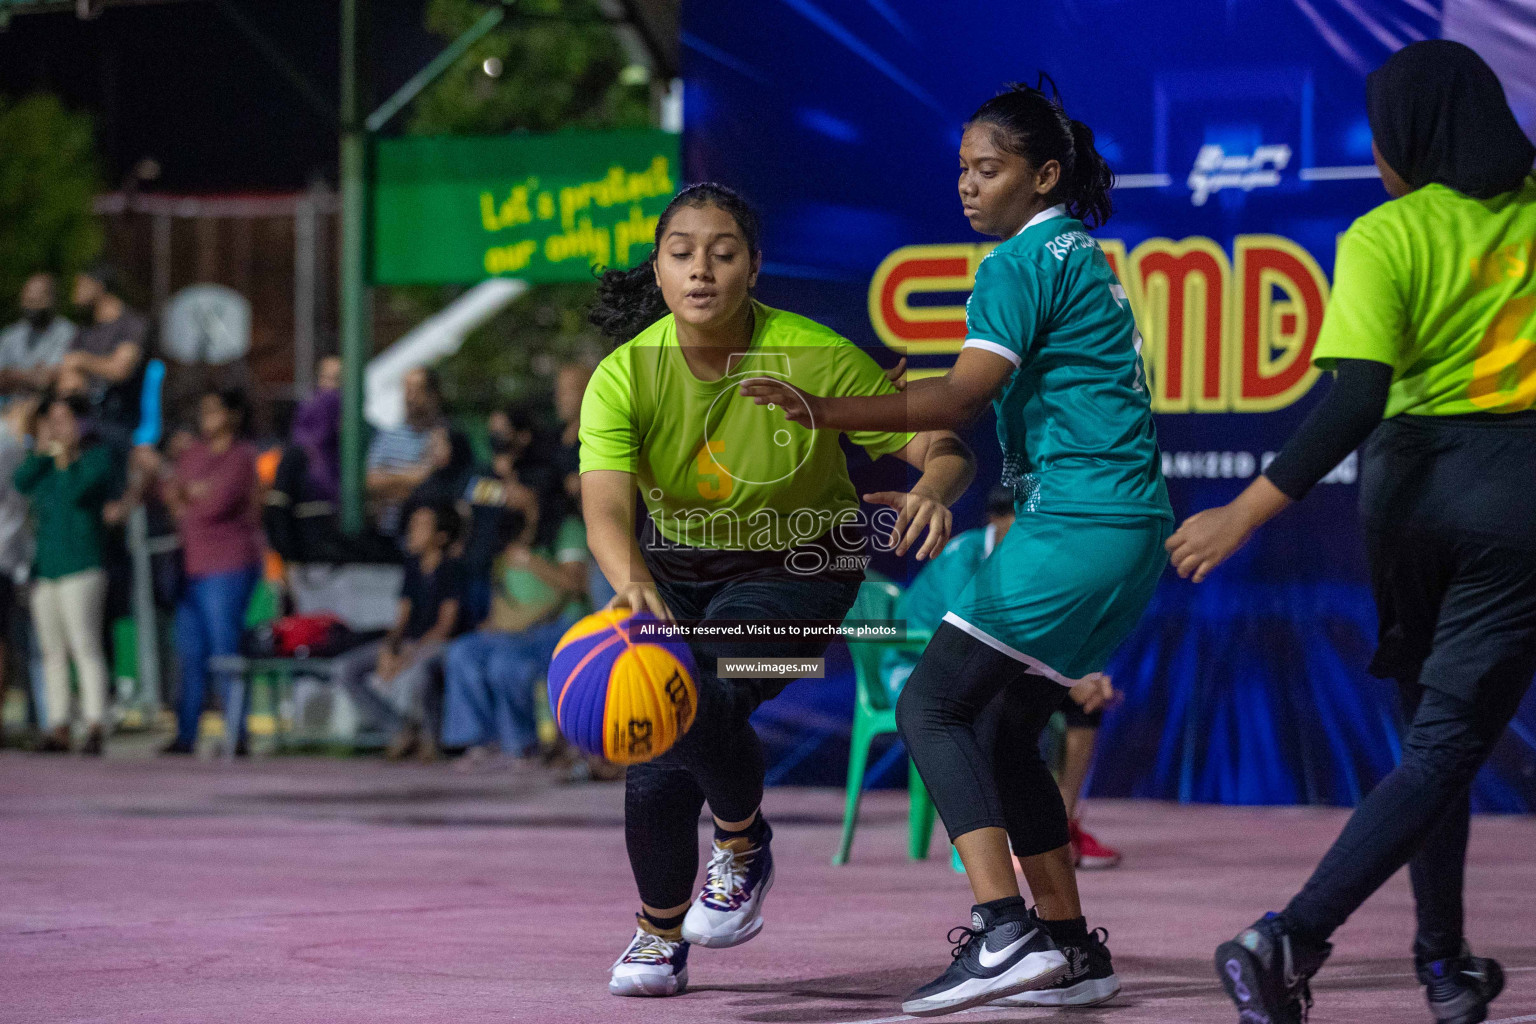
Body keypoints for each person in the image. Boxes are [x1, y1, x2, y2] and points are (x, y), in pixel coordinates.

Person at [746, 79, 1169, 1015]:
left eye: (991, 168)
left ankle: (1001, 931)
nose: (969, 186)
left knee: (931, 704)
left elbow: (961, 401)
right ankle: (1069, 948)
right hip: (1129, 528)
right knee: (1008, 727)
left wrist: (828, 413)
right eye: (964, 169)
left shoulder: (1016, 265)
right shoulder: (1078, 253)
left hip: (1077, 523)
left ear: (1044, 174)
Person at [1163, 41, 1536, 1024]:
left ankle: (1445, 965)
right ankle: (1286, 937)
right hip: (1516, 494)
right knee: (1447, 746)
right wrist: (1245, 509)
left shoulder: (1384, 233)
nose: (1377, 157)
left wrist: (1247, 507)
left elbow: (1358, 396)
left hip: (1406, 499)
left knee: (1430, 746)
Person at [583, 182, 974, 998]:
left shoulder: (810, 354)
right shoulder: (623, 377)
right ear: (657, 269)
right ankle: (660, 932)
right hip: (675, 570)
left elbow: (938, 441)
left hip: (800, 563)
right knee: (656, 742)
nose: (701, 270)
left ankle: (740, 843)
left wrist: (936, 484)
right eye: (682, 253)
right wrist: (631, 583)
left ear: (753, 267)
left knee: (704, 704)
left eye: (722, 253)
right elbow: (607, 511)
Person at [881, 485, 1125, 872]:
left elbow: (1047, 630)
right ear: (997, 519)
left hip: (993, 664)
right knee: (991, 705)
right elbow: (971, 641)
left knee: (1083, 708)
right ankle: (984, 839)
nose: (1037, 533)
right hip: (918, 670)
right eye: (1026, 522)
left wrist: (1082, 676)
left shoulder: (1033, 561)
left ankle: (1058, 828)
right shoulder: (964, 556)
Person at [157, 389, 264, 756]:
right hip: (191, 567)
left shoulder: (241, 456)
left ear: (233, 415)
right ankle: (186, 734)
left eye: (215, 410)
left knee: (225, 650)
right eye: (203, 410)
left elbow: (216, 504)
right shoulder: (192, 453)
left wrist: (191, 497)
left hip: (229, 565)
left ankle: (237, 733)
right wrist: (190, 494)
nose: (207, 417)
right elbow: (170, 495)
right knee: (190, 652)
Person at [442, 512, 590, 769]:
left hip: (555, 627)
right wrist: (501, 622)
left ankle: (523, 744)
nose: (506, 490)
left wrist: (531, 562)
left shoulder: (567, 529)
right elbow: (500, 597)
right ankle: (482, 742)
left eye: (513, 482)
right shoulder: (508, 533)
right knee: (462, 651)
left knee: (506, 663)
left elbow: (572, 586)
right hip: (512, 628)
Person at [14, 392, 116, 755]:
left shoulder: (94, 459)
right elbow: (20, 481)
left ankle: (94, 722)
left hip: (81, 565)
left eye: (63, 419)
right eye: (52, 420)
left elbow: (77, 492)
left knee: (84, 646)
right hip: (47, 568)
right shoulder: (43, 464)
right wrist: (43, 451)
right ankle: (56, 723)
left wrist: (65, 457)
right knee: (50, 651)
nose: (57, 427)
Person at [330, 502, 466, 760]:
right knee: (346, 670)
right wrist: (390, 648)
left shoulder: (452, 569)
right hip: (411, 643)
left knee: (419, 673)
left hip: (441, 644)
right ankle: (399, 730)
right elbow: (401, 618)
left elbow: (445, 627)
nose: (412, 531)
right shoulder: (412, 567)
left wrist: (410, 655)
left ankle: (431, 737)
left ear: (441, 537)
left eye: (421, 526)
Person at [366, 366, 452, 537]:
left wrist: (390, 478)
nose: (409, 397)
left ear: (433, 394)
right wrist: (414, 476)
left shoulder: (445, 435)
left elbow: (432, 482)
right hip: (386, 534)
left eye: (416, 390)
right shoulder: (388, 435)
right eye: (406, 389)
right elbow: (370, 482)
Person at [62, 264, 147, 436]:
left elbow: (120, 370)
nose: (75, 294)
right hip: (83, 416)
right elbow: (68, 374)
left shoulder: (131, 325)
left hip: (119, 419)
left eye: (81, 285)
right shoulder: (84, 329)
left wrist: (81, 361)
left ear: (98, 287)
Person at [0, 274, 75, 403]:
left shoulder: (66, 332)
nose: (31, 306)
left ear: (52, 299)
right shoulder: (10, 335)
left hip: (45, 407)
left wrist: (12, 374)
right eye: (28, 300)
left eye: (37, 300)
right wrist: (30, 375)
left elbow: (47, 380)